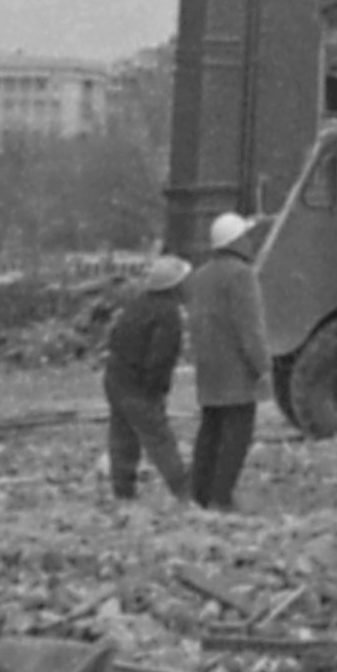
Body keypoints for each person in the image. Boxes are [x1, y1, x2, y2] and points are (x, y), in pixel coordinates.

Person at [179, 212, 265, 508]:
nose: (251, 242)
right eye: (247, 236)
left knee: (210, 432)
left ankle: (199, 494)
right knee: (236, 436)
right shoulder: (241, 274)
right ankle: (222, 498)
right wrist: (263, 368)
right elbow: (249, 328)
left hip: (208, 367)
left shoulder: (199, 276)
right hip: (236, 369)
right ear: (237, 241)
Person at [98, 249, 190, 501]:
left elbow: (115, 340)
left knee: (122, 438)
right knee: (160, 440)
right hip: (139, 387)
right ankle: (185, 493)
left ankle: (123, 492)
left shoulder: (137, 304)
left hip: (116, 380)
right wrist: (155, 391)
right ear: (174, 286)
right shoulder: (168, 314)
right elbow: (161, 358)